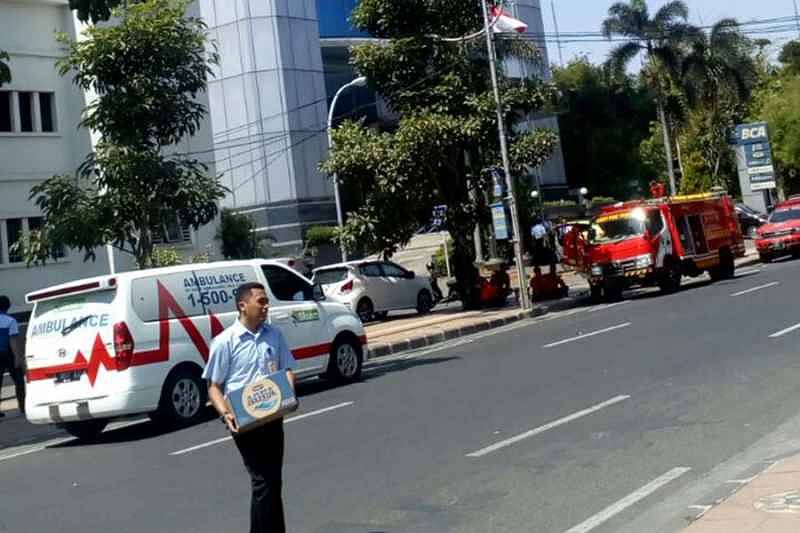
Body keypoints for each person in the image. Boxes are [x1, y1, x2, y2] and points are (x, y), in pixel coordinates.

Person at [203, 282, 297, 533]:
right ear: (243, 305)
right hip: (244, 420)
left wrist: (288, 396)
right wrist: (226, 413)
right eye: (261, 301)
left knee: (273, 480)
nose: (267, 306)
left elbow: (286, 368)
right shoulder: (225, 342)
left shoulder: (274, 335)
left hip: (273, 415)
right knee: (262, 481)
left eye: (267, 301)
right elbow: (214, 386)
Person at [0, 295, 24, 417]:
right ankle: (22, 406)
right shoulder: (11, 321)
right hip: (8, 353)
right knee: (18, 380)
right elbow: (13, 340)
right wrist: (17, 357)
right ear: (8, 306)